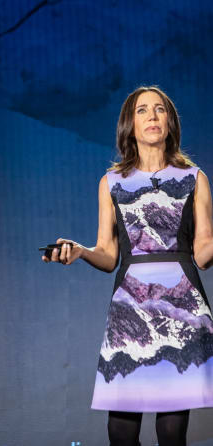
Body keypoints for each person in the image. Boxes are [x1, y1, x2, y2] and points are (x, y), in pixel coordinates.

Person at [42, 85, 213, 446]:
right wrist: (81, 251)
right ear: (129, 126)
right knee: (119, 433)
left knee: (171, 433)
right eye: (142, 111)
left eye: (160, 109)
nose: (152, 115)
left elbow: (203, 253)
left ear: (170, 122)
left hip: (180, 309)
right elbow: (108, 254)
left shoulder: (194, 179)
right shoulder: (111, 183)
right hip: (129, 312)